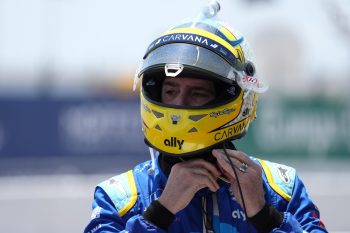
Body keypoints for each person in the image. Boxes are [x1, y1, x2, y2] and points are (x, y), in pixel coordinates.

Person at [85, 2, 327, 232]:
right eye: (170, 91)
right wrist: (161, 211)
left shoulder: (281, 188)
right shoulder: (119, 197)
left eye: (197, 93)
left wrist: (265, 215)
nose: (179, 104)